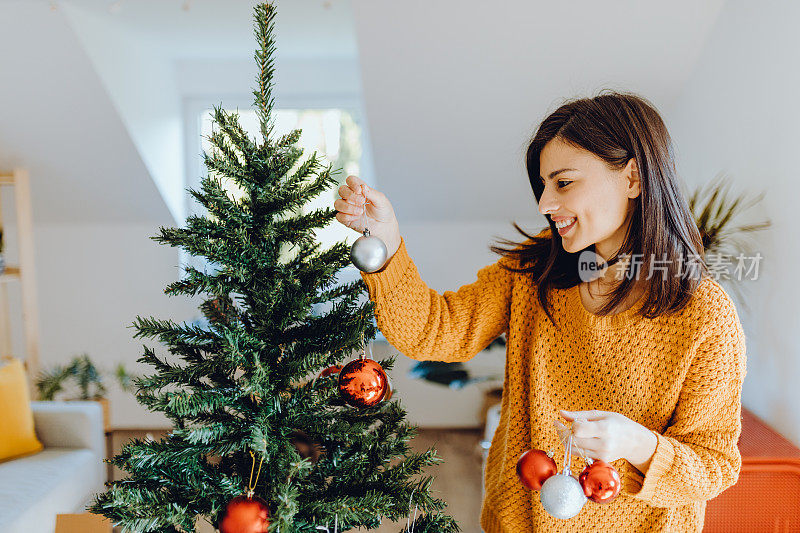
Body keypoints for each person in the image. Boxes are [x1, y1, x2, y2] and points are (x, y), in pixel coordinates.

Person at [333, 90, 746, 532]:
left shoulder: (704, 314)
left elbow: (715, 466)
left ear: (633, 178)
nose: (545, 204)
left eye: (563, 182)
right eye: (544, 184)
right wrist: (387, 239)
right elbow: (432, 332)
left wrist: (638, 444)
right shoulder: (534, 270)